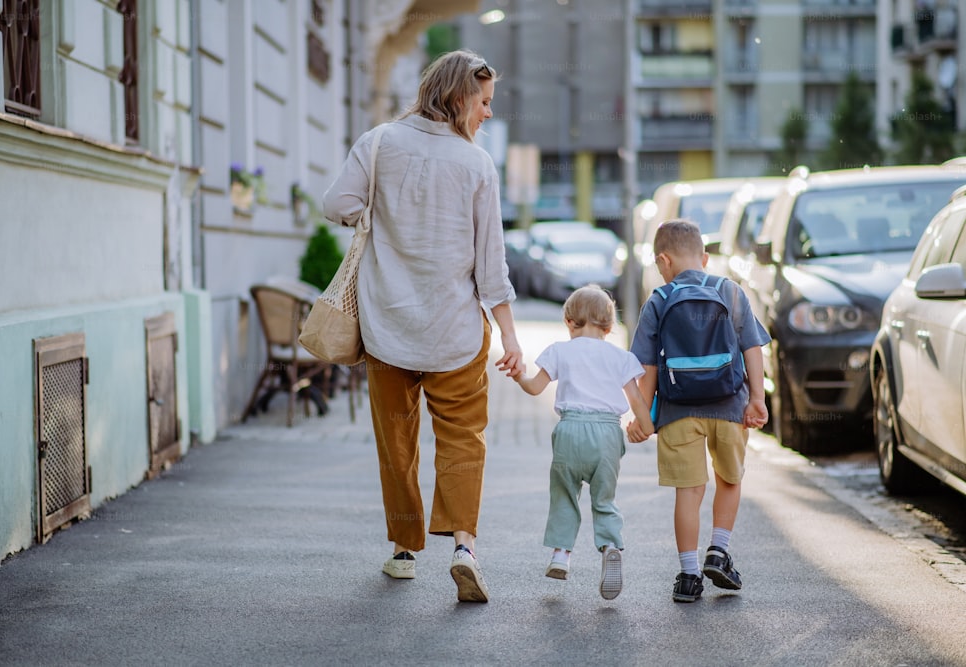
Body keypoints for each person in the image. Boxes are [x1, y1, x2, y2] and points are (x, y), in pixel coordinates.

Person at [322, 50, 524, 604]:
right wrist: (509, 336)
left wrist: (375, 216)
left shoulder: (379, 142)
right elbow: (491, 267)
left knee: (397, 442)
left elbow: (335, 202)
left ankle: (405, 550)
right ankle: (463, 547)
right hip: (455, 333)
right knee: (462, 439)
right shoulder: (476, 164)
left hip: (388, 329)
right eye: (482, 103)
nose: (486, 114)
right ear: (458, 97)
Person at [627, 219, 770, 603]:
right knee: (729, 479)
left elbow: (647, 370)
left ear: (663, 260)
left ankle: (689, 576)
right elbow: (753, 348)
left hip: (677, 411)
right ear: (705, 257)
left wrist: (645, 418)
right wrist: (757, 398)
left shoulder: (658, 299)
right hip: (729, 406)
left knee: (688, 492)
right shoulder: (730, 290)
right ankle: (719, 551)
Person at [511, 285, 655, 600]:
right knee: (604, 499)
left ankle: (561, 555)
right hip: (606, 434)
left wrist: (518, 375)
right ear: (608, 326)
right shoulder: (621, 357)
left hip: (570, 431)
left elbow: (535, 388)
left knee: (564, 494)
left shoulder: (560, 351)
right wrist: (645, 426)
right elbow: (636, 399)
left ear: (569, 321)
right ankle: (610, 547)